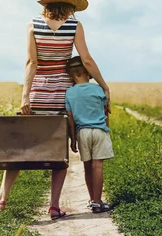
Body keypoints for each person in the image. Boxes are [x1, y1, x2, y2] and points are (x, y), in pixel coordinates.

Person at [0, 0, 110, 220]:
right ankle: (54, 206)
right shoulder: (74, 26)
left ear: (47, 5)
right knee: (57, 152)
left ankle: (2, 199)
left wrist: (25, 97)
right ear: (70, 6)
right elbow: (86, 59)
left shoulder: (33, 25)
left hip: (37, 93)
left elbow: (31, 62)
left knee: (20, 149)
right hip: (62, 94)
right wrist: (103, 84)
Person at [65, 56, 114, 214]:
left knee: (87, 167)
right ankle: (99, 201)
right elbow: (106, 112)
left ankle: (92, 200)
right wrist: (107, 129)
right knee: (98, 166)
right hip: (100, 131)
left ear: (71, 76)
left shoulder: (70, 93)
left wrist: (73, 139)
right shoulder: (99, 89)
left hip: (82, 132)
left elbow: (70, 118)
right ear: (88, 73)